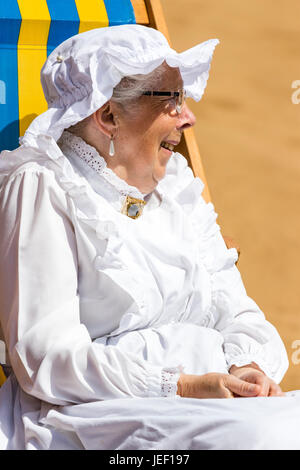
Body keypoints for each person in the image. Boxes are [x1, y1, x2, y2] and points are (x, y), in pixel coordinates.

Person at [0, 24, 299, 451]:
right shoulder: (45, 186)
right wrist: (180, 386)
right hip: (95, 413)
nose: (189, 117)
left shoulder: (177, 187)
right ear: (108, 116)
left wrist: (246, 367)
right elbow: (46, 358)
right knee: (264, 439)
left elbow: (239, 313)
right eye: (171, 100)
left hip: (209, 404)